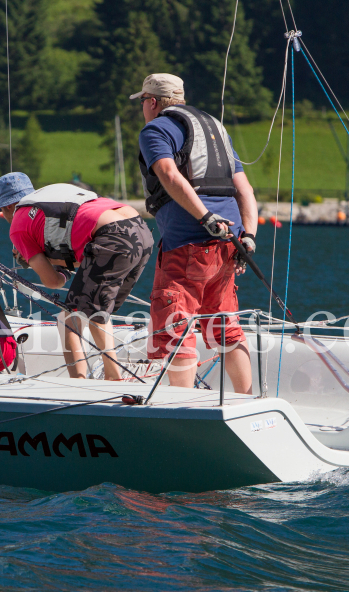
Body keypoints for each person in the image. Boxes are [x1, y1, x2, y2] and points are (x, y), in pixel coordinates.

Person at [131, 73, 258, 394]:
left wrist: (204, 217)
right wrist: (249, 236)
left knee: (176, 323)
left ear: (152, 102)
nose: (143, 109)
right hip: (230, 243)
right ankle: (245, 399)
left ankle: (181, 404)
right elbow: (244, 188)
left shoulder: (156, 128)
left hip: (187, 243)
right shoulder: (214, 128)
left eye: (143, 102)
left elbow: (167, 172)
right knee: (226, 326)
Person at [0, 172, 153, 381]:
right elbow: (85, 252)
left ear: (7, 207)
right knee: (90, 312)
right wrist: (60, 264)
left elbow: (52, 282)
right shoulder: (47, 200)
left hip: (112, 237)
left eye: (3, 213)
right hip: (140, 231)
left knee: (70, 318)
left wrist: (49, 267)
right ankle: (103, 375)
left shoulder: (18, 226)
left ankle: (103, 379)